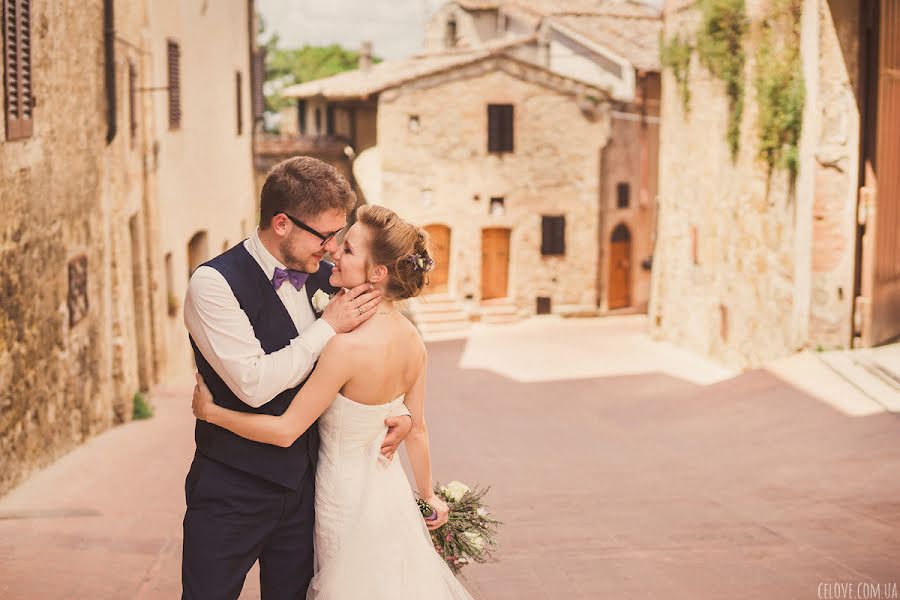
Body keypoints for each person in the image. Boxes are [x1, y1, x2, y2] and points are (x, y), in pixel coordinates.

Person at [192, 204, 475, 599]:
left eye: (348, 248)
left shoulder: (344, 346)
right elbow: (418, 426)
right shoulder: (413, 338)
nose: (334, 253)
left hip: (339, 495)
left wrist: (212, 413)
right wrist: (427, 496)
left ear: (378, 273)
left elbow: (287, 429)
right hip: (386, 490)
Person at [182, 157, 413, 599]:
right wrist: (327, 326)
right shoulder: (213, 284)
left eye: (338, 237)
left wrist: (395, 409)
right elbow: (253, 385)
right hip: (232, 490)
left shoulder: (330, 278)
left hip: (310, 488)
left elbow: (382, 344)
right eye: (325, 236)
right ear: (282, 223)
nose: (332, 248)